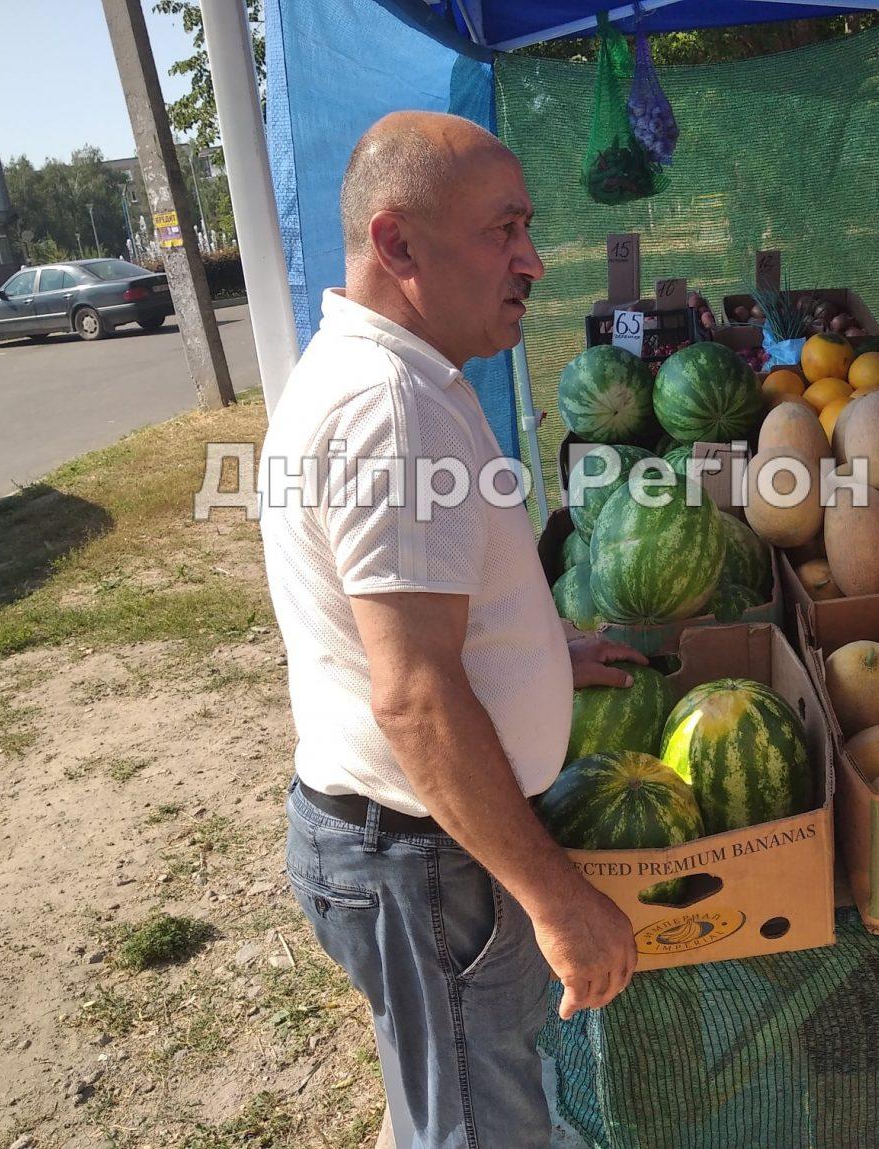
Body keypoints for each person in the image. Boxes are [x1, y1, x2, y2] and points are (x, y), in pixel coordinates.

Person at [259, 111, 641, 1149]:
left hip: (410, 850)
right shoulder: (392, 406)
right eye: (502, 230)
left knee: (452, 1100)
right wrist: (558, 903)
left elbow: (406, 620)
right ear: (397, 244)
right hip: (423, 862)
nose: (533, 259)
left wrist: (541, 658)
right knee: (476, 1129)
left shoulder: (399, 374)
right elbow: (415, 693)